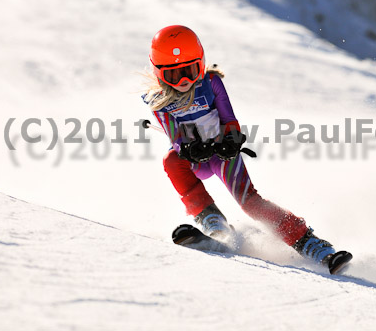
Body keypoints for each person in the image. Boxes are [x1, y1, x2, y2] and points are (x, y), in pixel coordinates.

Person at [142, 25, 352, 273]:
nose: (185, 81)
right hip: (196, 161)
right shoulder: (158, 101)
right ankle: (213, 223)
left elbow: (229, 119)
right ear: (159, 74)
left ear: (201, 63)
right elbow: (174, 135)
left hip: (222, 154)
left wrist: (230, 140)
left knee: (250, 202)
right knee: (171, 160)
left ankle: (313, 245)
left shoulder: (211, 84)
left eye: (190, 71)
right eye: (175, 76)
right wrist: (187, 148)